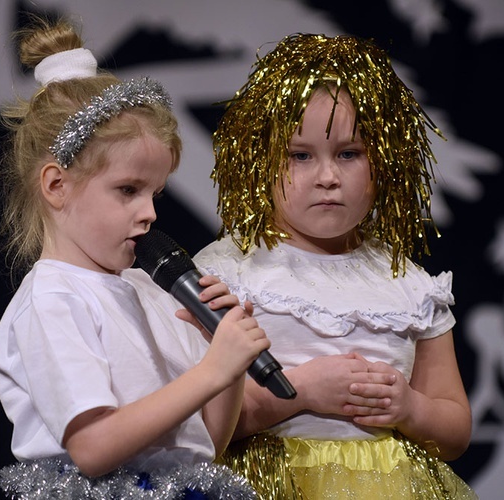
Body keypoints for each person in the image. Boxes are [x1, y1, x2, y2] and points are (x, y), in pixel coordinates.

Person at [0, 16, 270, 499]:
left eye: (155, 192)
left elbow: (207, 448)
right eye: (128, 190)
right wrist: (210, 371)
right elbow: (94, 448)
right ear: (57, 186)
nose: (149, 213)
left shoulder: (150, 290)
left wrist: (226, 361)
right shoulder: (53, 301)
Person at [193, 33, 476, 499]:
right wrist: (299, 392)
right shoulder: (231, 271)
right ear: (260, 163)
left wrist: (409, 408)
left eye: (349, 154)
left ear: (383, 162)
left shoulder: (409, 284)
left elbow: (454, 429)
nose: (327, 177)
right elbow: (200, 425)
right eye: (300, 156)